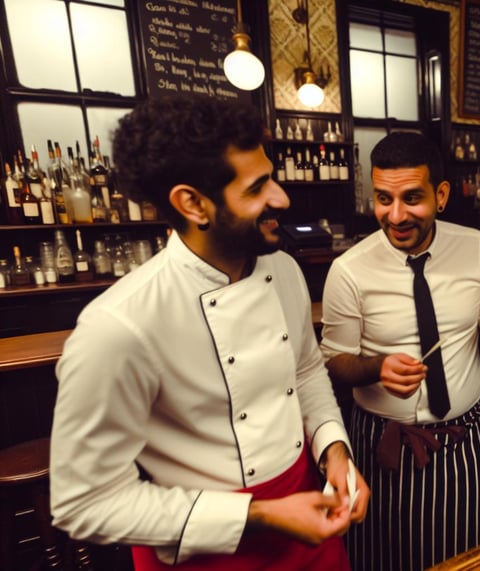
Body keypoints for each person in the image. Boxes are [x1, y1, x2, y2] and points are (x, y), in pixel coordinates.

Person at [49, 94, 368, 570]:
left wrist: (333, 449)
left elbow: (303, 373)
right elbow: (83, 503)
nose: (281, 197)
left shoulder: (283, 271)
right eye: (258, 186)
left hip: (309, 519)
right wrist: (259, 515)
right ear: (193, 203)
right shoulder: (117, 327)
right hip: (204, 548)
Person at [320, 131, 480, 570]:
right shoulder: (348, 271)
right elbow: (333, 365)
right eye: (383, 198)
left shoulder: (474, 246)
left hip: (463, 442)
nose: (396, 215)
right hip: (384, 446)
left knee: (470, 559)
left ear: (441, 195)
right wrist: (375, 368)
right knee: (386, 560)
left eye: (412, 198)